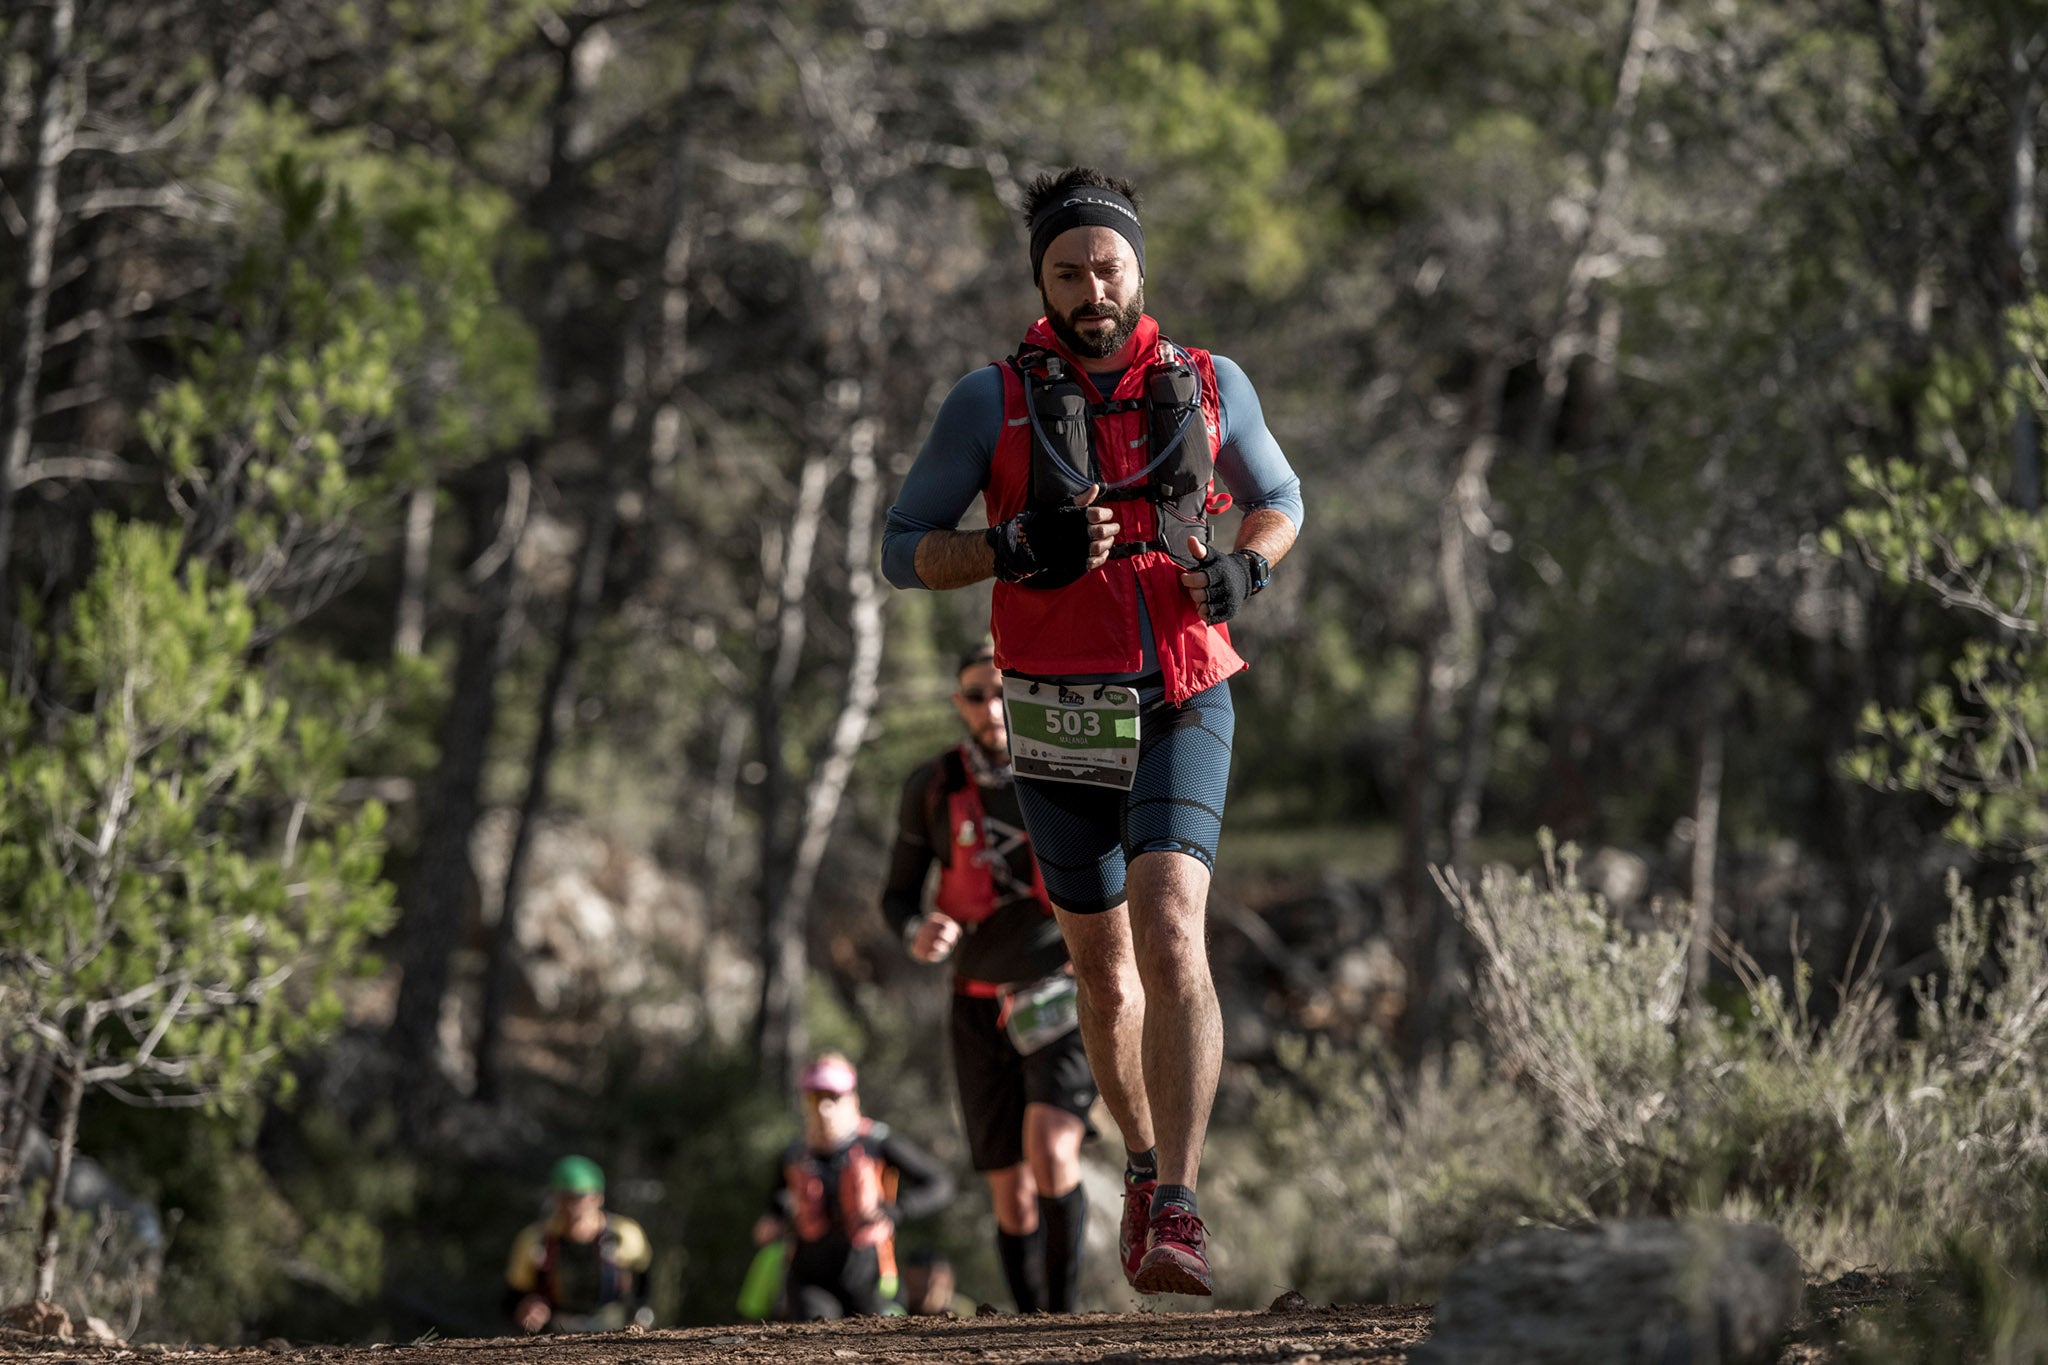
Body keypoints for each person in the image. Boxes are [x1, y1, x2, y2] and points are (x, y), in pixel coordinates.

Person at [880, 167, 1304, 1296]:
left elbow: (1279, 497)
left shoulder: (1210, 382)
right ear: (1042, 283)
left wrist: (1244, 568)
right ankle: (1140, 1162)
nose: (1089, 289)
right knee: (1101, 974)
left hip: (1179, 688)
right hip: (1056, 707)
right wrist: (1011, 547)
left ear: (1138, 267)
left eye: (1105, 265)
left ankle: (1180, 1206)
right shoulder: (991, 400)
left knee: (1171, 930)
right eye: (1065, 272)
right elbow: (904, 545)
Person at [881, 640, 1098, 1313]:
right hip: (974, 1000)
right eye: (977, 694)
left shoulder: (1064, 768)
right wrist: (917, 930)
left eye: (1004, 690)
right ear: (959, 703)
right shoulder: (933, 786)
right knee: (1008, 1183)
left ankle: (1063, 1318)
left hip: (1059, 989)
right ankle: (1031, 1322)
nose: (992, 706)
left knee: (1052, 1149)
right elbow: (897, 896)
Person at [753, 1053, 956, 1320]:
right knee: (815, 1336)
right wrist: (775, 1221)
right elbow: (777, 1202)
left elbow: (939, 1184)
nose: (824, 1108)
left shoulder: (877, 1144)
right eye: (815, 1097)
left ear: (853, 1101)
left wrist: (896, 1211)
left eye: (833, 1097)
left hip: (868, 1278)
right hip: (810, 1279)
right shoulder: (794, 1155)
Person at [505, 1155, 654, 1333]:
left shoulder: (625, 1234)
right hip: (556, 1329)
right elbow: (512, 1296)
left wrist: (641, 1316)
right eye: (564, 1197)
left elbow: (645, 1284)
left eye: (578, 1197)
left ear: (598, 1198)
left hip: (614, 1327)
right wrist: (528, 1307)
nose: (571, 1207)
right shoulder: (535, 1240)